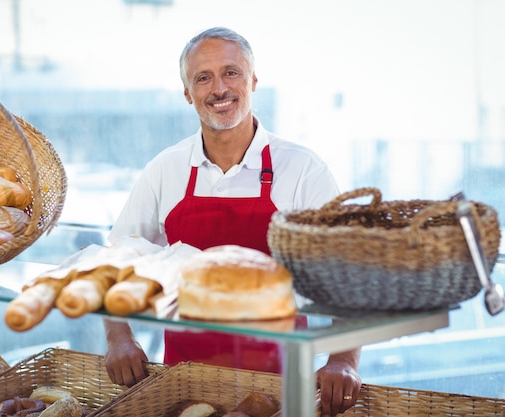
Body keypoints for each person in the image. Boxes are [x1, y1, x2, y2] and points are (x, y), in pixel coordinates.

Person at [104, 26, 361, 417]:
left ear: (253, 80)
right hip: (185, 384)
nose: (218, 88)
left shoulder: (303, 169)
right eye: (202, 78)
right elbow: (118, 259)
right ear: (188, 93)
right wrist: (119, 338)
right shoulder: (166, 169)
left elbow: (348, 273)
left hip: (280, 387)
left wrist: (344, 359)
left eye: (231, 72)